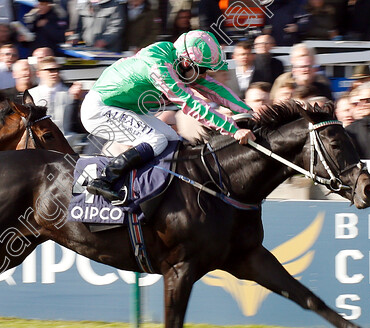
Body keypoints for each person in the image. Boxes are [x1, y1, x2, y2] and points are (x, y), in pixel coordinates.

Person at [82, 30, 254, 202]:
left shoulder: (180, 62)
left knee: (173, 140)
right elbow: (191, 104)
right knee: (156, 140)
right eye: (202, 69)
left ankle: (154, 189)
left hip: (124, 109)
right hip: (99, 109)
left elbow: (215, 89)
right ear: (187, 62)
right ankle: (105, 179)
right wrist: (232, 129)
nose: (203, 75)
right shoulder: (160, 68)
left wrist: (247, 112)